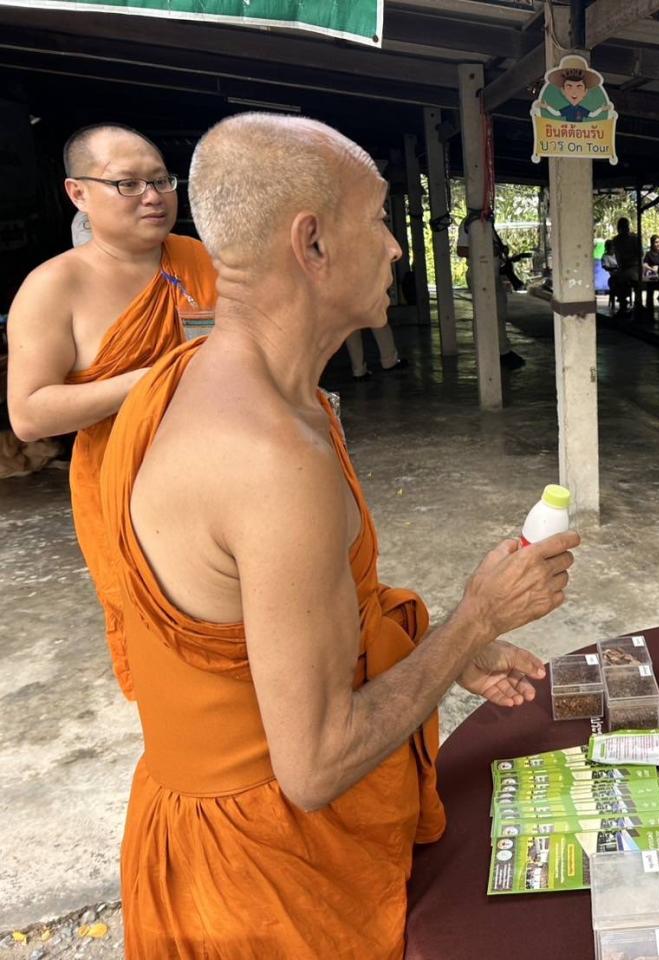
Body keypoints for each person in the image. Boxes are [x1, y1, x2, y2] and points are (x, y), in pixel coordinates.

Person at [98, 112, 579, 957]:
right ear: (312, 243)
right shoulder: (269, 457)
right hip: (259, 878)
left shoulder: (199, 381)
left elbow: (286, 624)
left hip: (209, 834)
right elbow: (316, 765)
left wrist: (438, 654)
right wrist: (477, 616)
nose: (395, 248)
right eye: (380, 219)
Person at [6, 122, 218, 698]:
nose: (153, 197)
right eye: (128, 184)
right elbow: (29, 414)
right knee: (163, 650)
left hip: (217, 480)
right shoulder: (55, 287)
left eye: (161, 180)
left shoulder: (198, 259)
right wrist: (156, 378)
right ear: (78, 193)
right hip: (123, 490)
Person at [457, 224, 524, 369]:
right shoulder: (470, 223)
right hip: (481, 274)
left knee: (499, 312)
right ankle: (497, 353)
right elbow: (461, 250)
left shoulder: (487, 223)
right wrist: (488, 251)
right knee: (487, 315)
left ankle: (500, 350)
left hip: (492, 274)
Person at [610, 217, 642, 313]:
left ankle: (632, 303)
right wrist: (621, 267)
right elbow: (618, 256)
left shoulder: (634, 238)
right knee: (613, 280)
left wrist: (628, 259)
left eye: (626, 226)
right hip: (623, 267)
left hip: (634, 266)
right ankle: (622, 302)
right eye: (623, 227)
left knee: (626, 278)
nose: (626, 229)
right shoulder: (616, 240)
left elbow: (640, 254)